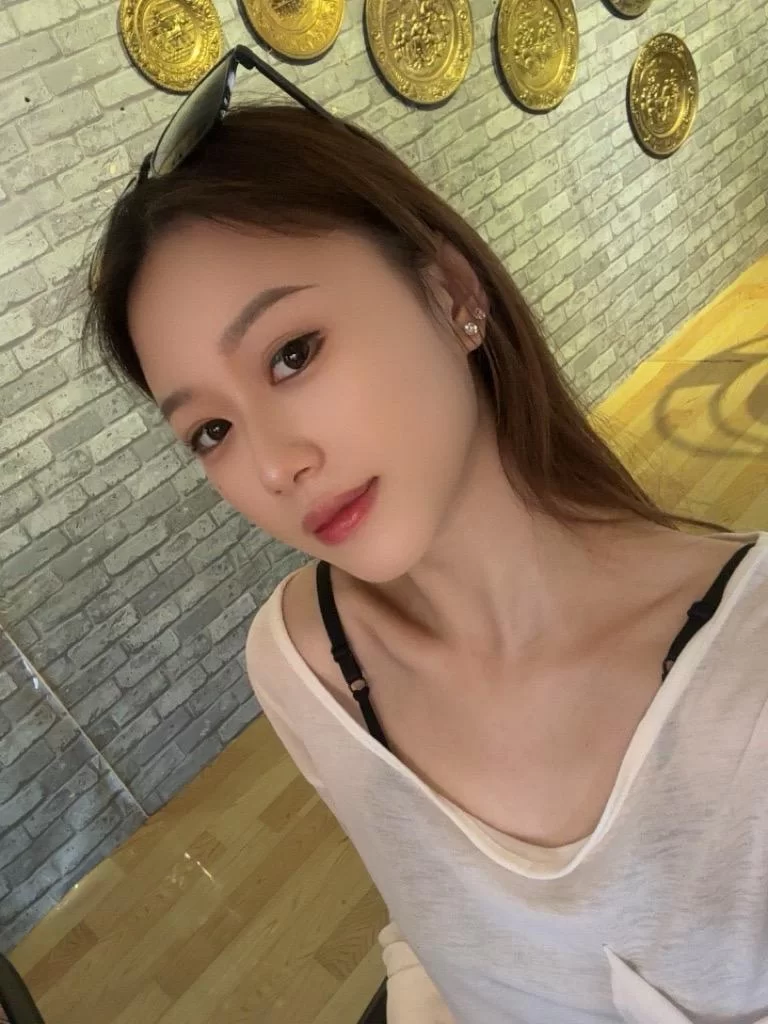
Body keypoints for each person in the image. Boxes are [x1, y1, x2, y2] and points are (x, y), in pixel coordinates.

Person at [83, 47, 768, 1024]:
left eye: (292, 353)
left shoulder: (746, 680)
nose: (274, 464)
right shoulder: (304, 666)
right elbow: (433, 921)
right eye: (211, 431)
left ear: (451, 292)